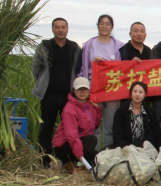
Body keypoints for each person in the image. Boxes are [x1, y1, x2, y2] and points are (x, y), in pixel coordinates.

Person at [32, 17, 81, 167]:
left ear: (67, 29)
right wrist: (43, 82)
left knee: (70, 129)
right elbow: (36, 68)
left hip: (68, 95)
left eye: (63, 27)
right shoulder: (45, 46)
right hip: (49, 94)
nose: (60, 30)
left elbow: (78, 68)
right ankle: (44, 161)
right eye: (57, 27)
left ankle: (68, 161)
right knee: (46, 128)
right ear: (52, 29)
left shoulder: (74, 48)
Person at [77, 14, 125, 150]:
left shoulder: (119, 46)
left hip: (112, 85)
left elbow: (123, 67)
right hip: (94, 83)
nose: (104, 26)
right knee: (94, 121)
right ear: (97, 25)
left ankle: (109, 153)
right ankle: (94, 154)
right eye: (102, 23)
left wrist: (107, 64)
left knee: (111, 122)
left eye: (107, 24)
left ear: (112, 27)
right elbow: (82, 67)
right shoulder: (89, 45)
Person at [52, 77, 102, 174]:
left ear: (89, 91)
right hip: (63, 146)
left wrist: (98, 111)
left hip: (79, 144)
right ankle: (75, 164)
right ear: (74, 91)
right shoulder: (69, 108)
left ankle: (74, 166)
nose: (82, 92)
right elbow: (71, 135)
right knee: (92, 139)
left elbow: (95, 125)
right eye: (79, 89)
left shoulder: (90, 107)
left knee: (96, 156)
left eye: (85, 89)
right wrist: (79, 153)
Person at [110, 82, 161, 149]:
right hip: (128, 147)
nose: (137, 94)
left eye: (140, 92)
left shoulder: (150, 111)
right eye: (135, 91)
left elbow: (156, 130)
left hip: (146, 146)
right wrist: (125, 148)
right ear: (131, 93)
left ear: (145, 95)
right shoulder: (121, 112)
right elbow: (117, 135)